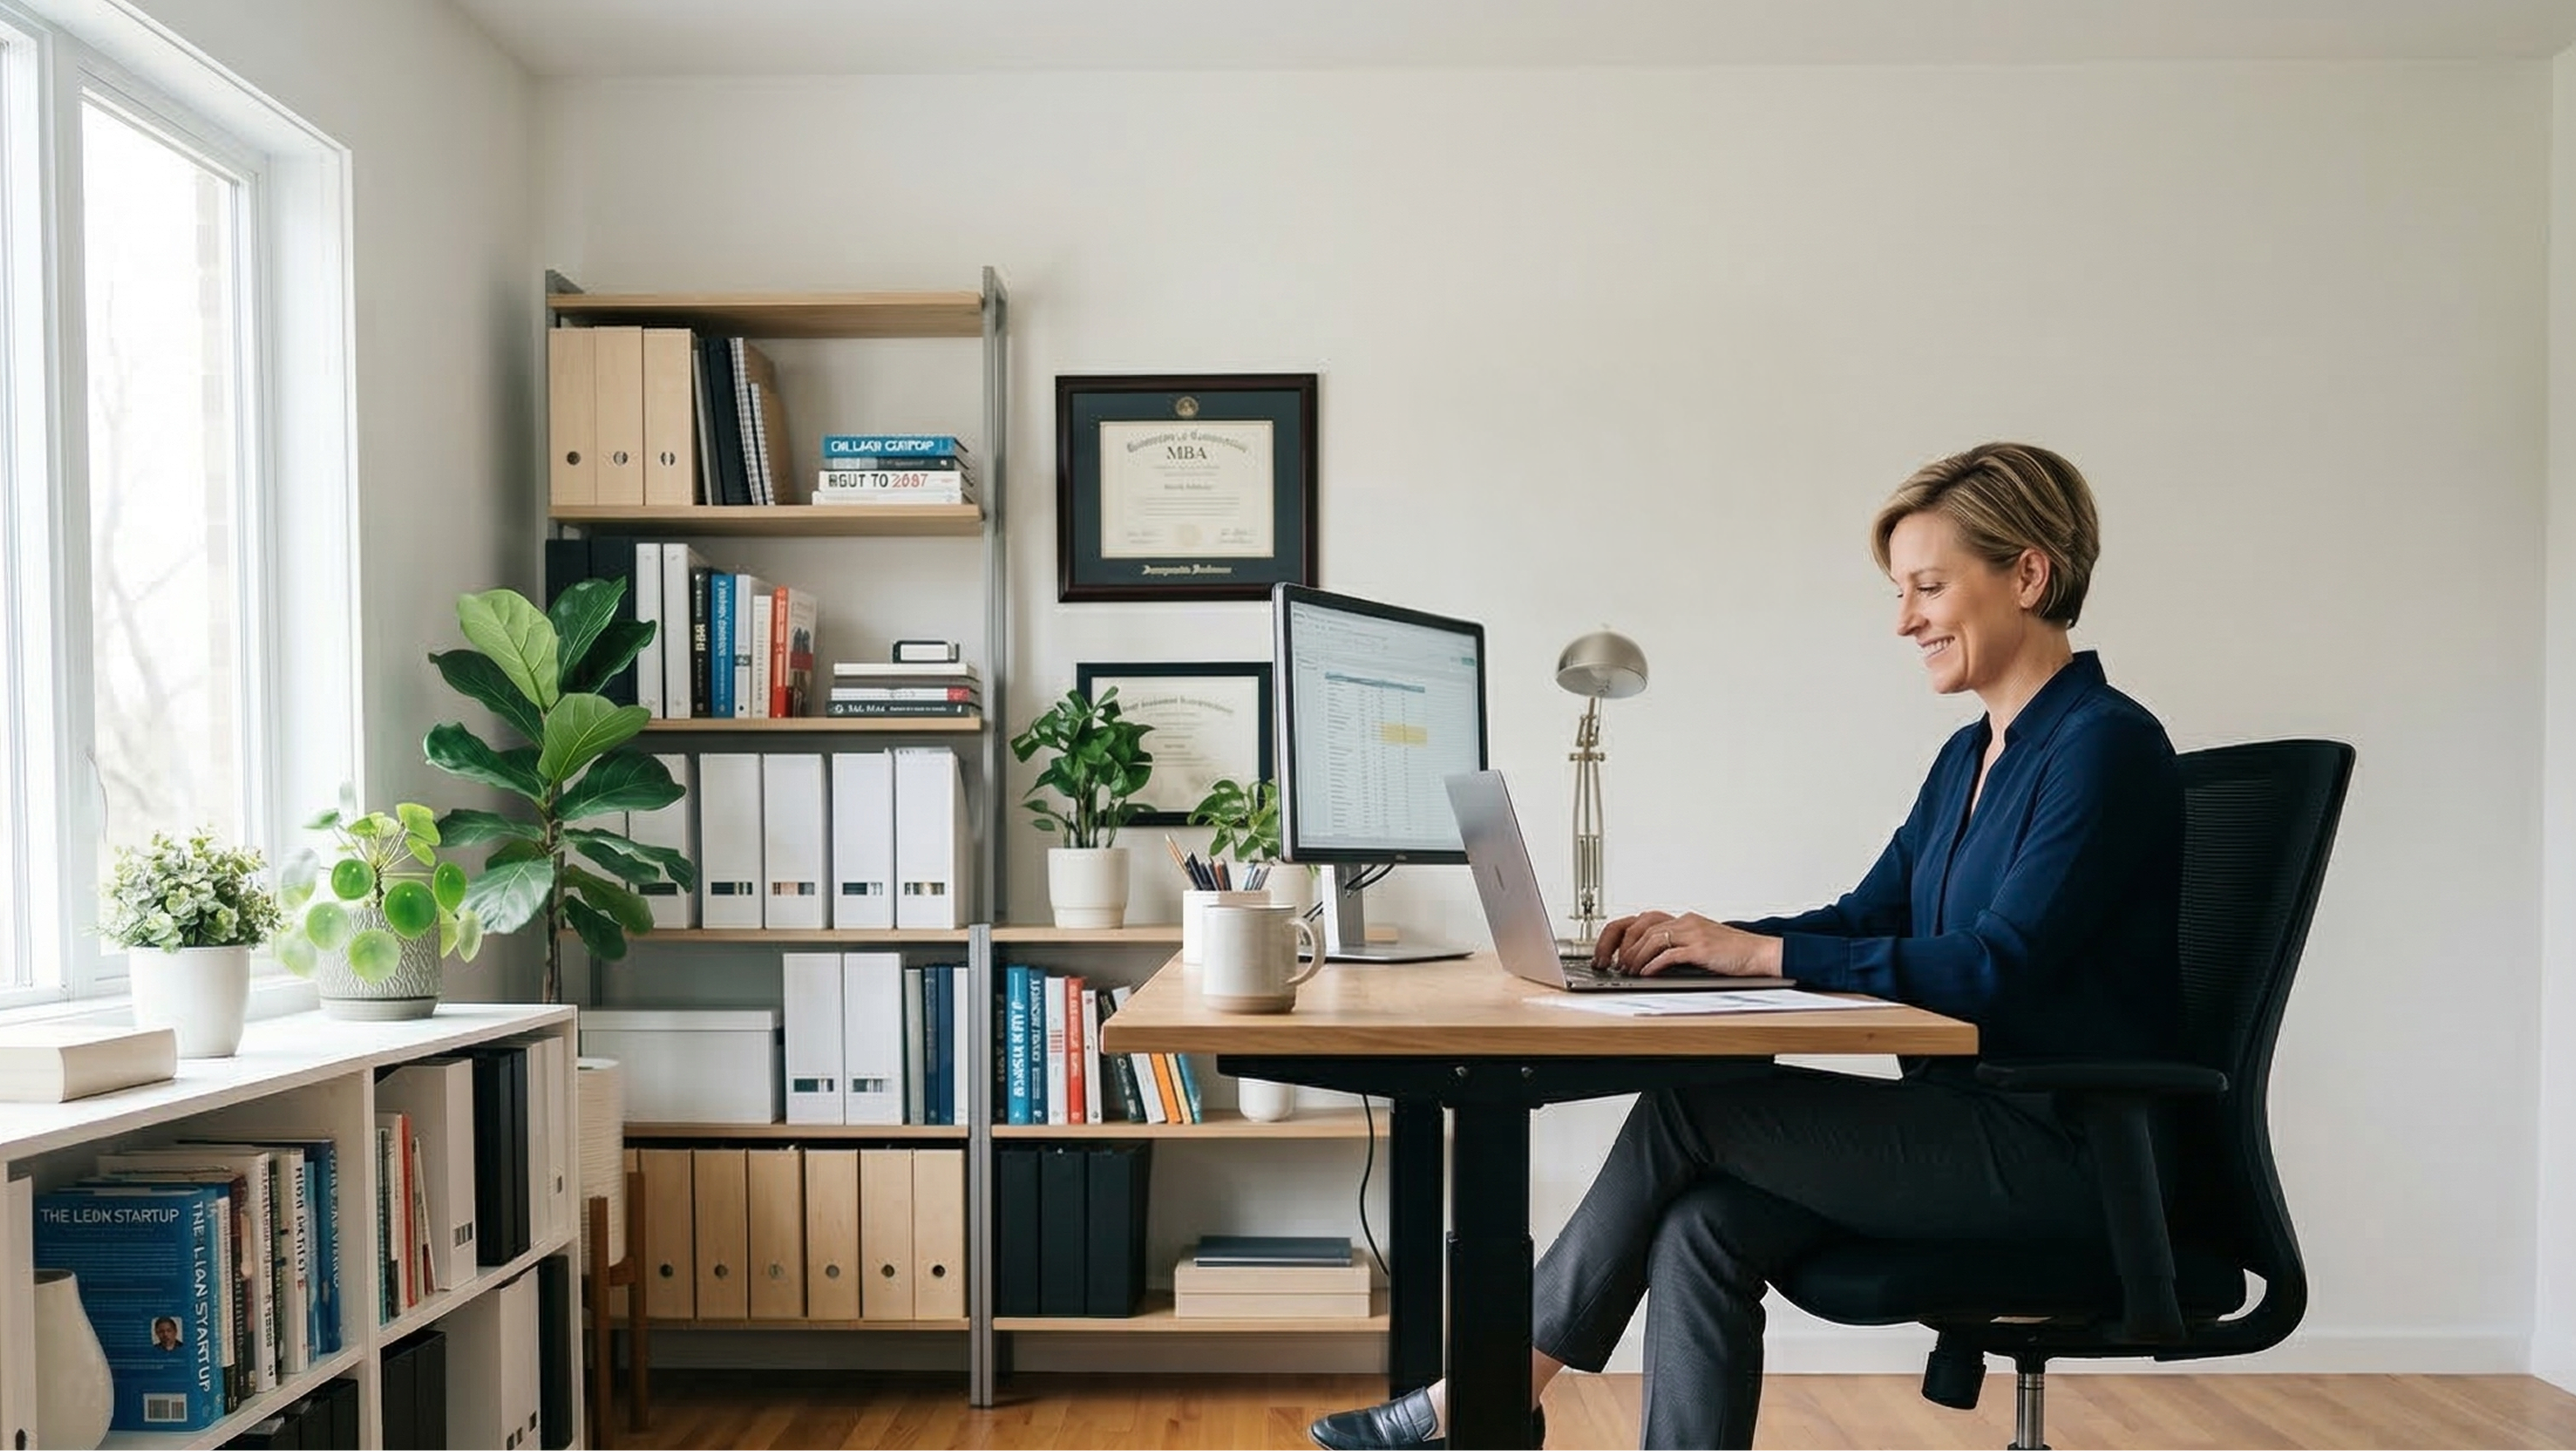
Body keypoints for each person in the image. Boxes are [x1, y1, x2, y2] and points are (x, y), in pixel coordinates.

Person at [1309, 442, 2183, 1451]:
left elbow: (1998, 969)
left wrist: (1755, 959)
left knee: (1690, 1102)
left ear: (2028, 575)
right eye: (1901, 593)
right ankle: (1502, 1398)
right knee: (1702, 1227)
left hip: (2067, 1157)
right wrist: (1709, 939)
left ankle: (1488, 1399)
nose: (1905, 620)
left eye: (1928, 588)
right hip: (1962, 1128)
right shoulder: (1969, 756)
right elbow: (1867, 919)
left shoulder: (2106, 746)